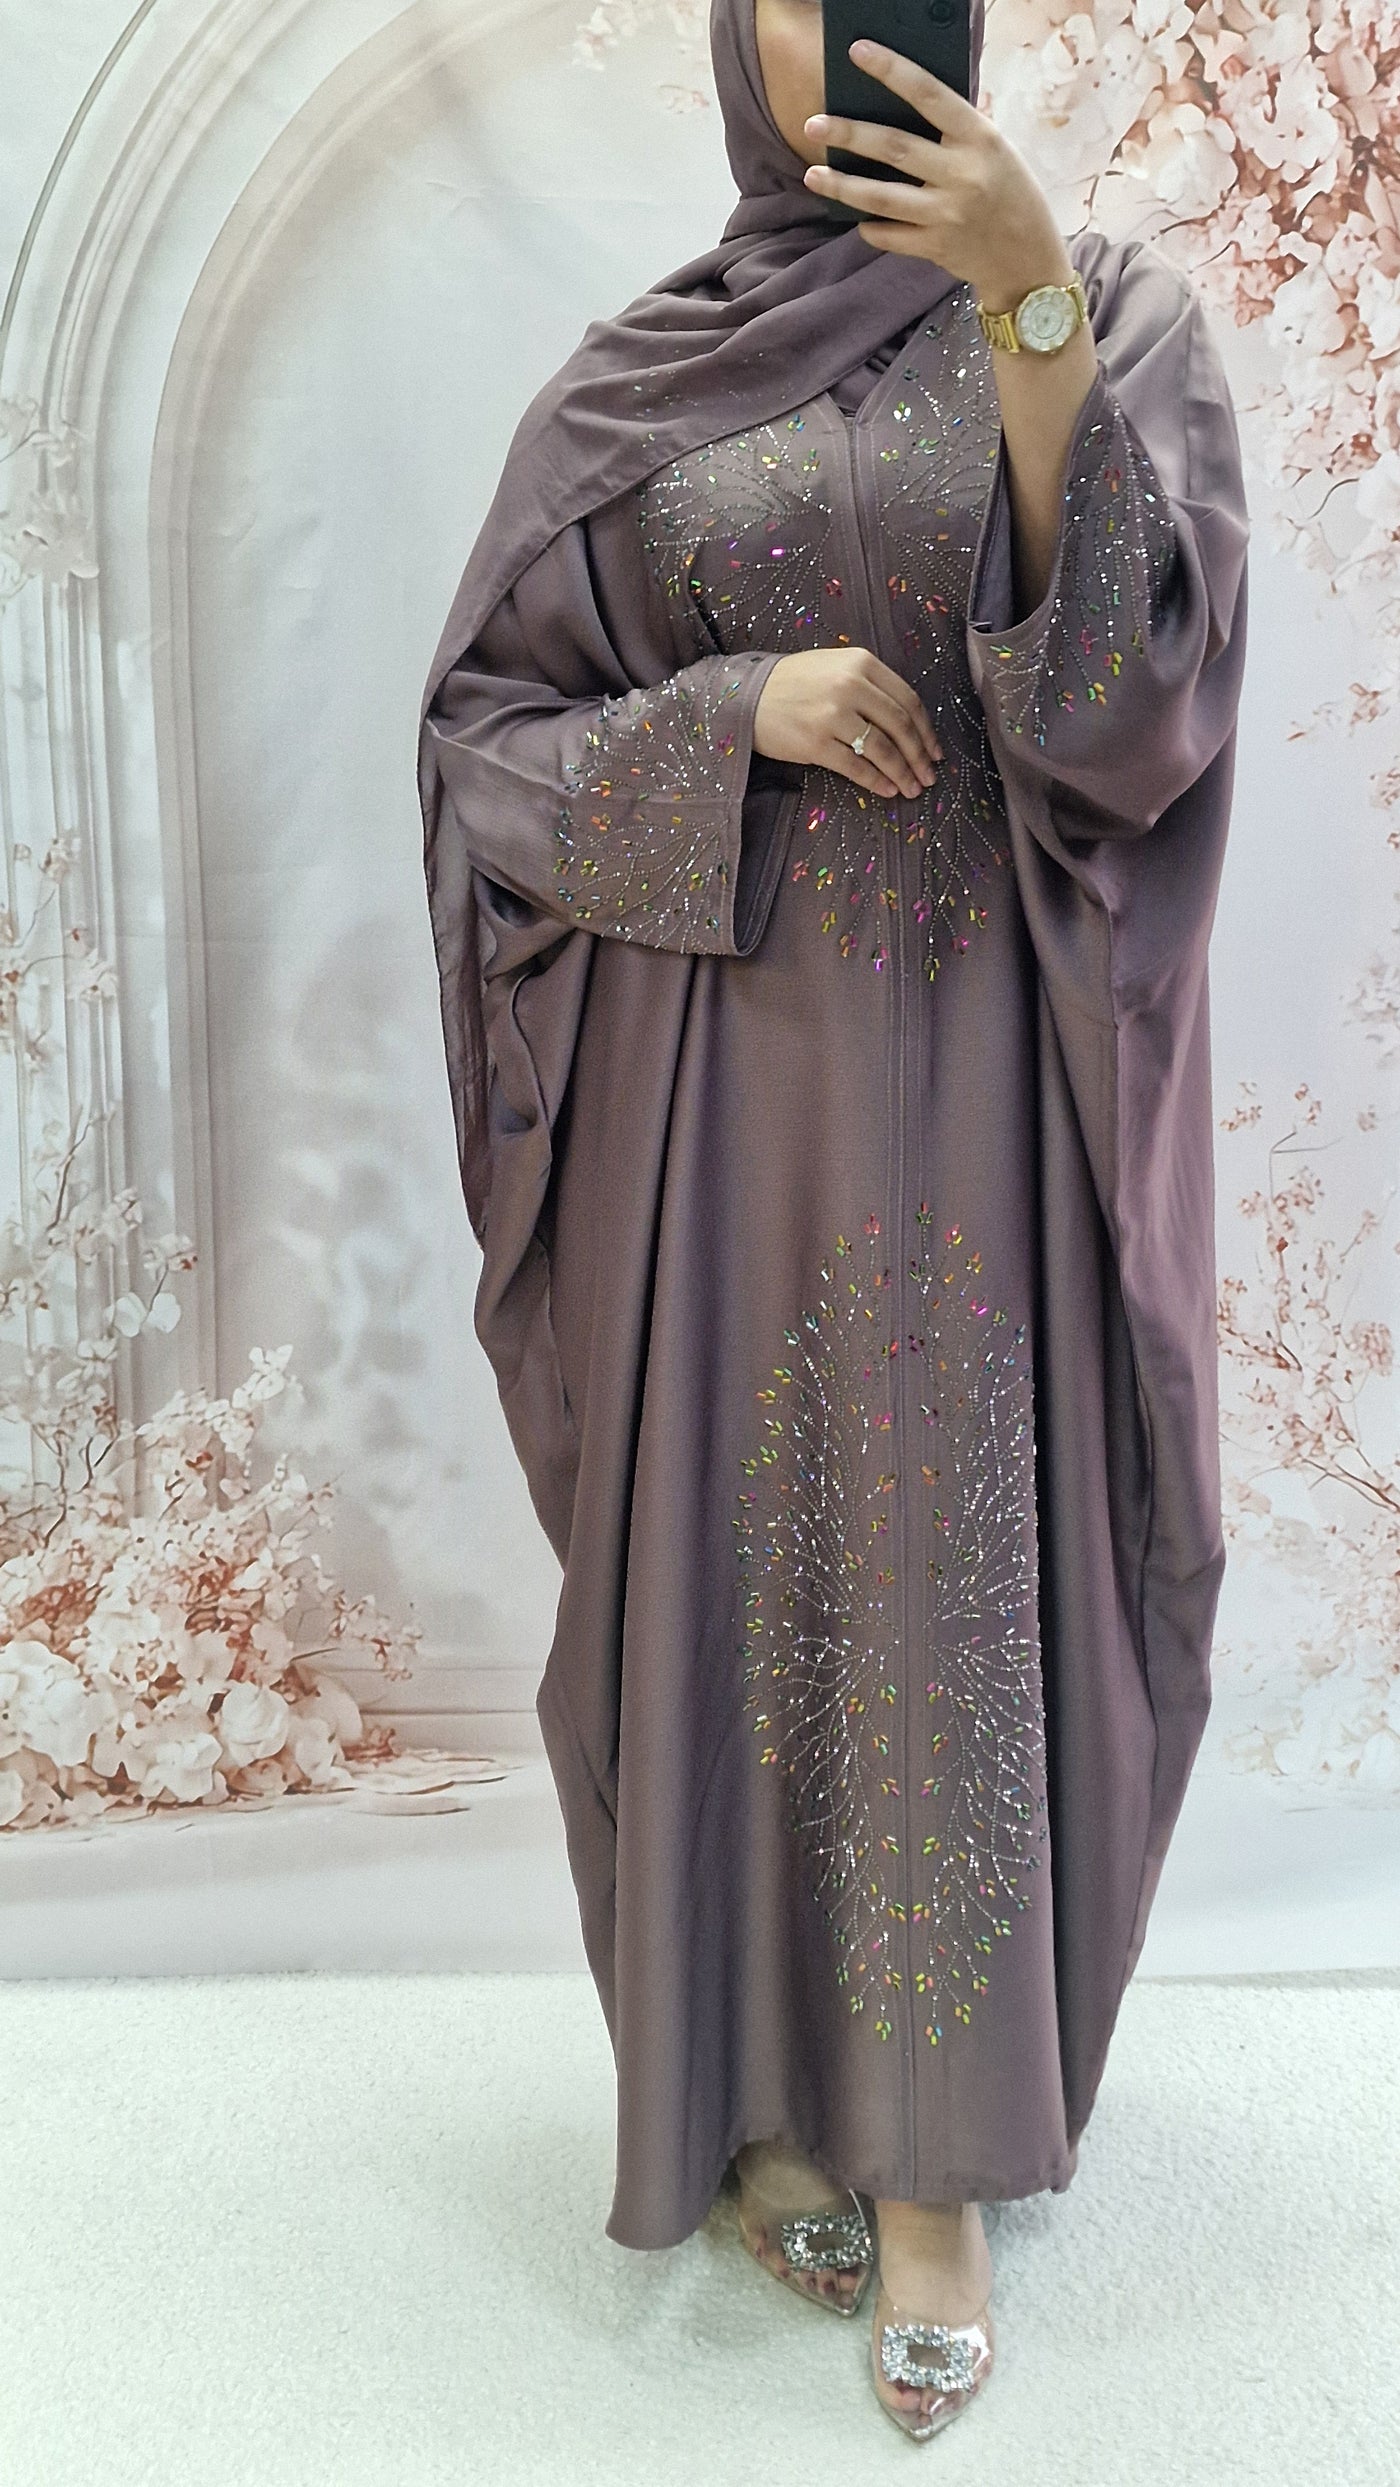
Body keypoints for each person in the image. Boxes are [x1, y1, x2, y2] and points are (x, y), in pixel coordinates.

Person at [415, 0, 1249, 2441]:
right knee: (744, 1572)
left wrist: (1026, 305)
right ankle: (769, 2084)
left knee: (945, 1566)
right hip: (717, 1118)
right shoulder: (636, 385)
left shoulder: (1112, 313)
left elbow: (1127, 713)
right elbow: (485, 749)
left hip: (987, 1099)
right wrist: (730, 713)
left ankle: (937, 2165)